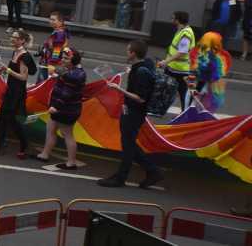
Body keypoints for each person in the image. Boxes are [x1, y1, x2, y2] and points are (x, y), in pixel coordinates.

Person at [98, 40, 163, 189]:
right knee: (128, 144)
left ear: (133, 53)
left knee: (128, 145)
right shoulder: (141, 66)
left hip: (134, 112)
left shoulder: (141, 72)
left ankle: (121, 178)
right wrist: (131, 70)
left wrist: (118, 88)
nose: (126, 53)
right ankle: (152, 172)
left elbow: (140, 98)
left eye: (128, 51)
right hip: (130, 110)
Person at [36, 47, 85, 169]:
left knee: (67, 134)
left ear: (73, 59)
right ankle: (44, 154)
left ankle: (71, 162)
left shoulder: (75, 74)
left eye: (66, 58)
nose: (62, 60)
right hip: (60, 108)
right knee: (50, 129)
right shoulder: (70, 70)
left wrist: (55, 106)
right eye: (62, 57)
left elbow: (66, 94)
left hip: (67, 110)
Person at [0, 29, 37, 158]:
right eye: (12, 37)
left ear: (22, 41)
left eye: (15, 38)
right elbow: (13, 71)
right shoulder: (16, 52)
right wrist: (4, 71)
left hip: (17, 93)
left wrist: (8, 70)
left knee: (9, 119)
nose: (12, 39)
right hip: (11, 90)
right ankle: (3, 144)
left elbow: (23, 77)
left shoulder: (24, 56)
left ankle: (19, 144)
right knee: (4, 118)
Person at [161, 11, 195, 109]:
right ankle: (161, 107)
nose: (172, 20)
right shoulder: (181, 30)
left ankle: (185, 112)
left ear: (178, 20)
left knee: (182, 91)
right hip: (173, 67)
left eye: (173, 18)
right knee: (166, 88)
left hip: (180, 70)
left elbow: (182, 52)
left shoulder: (186, 33)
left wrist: (166, 61)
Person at [193, 31, 230, 112]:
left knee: (199, 100)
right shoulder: (209, 54)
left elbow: (210, 70)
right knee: (200, 100)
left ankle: (198, 115)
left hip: (207, 82)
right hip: (206, 82)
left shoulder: (208, 54)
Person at [38, 11, 70, 82]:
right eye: (50, 19)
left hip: (49, 63)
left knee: (43, 84)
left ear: (61, 21)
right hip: (47, 61)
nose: (51, 21)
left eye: (53, 20)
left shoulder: (60, 34)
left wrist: (52, 64)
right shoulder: (58, 31)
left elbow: (57, 49)